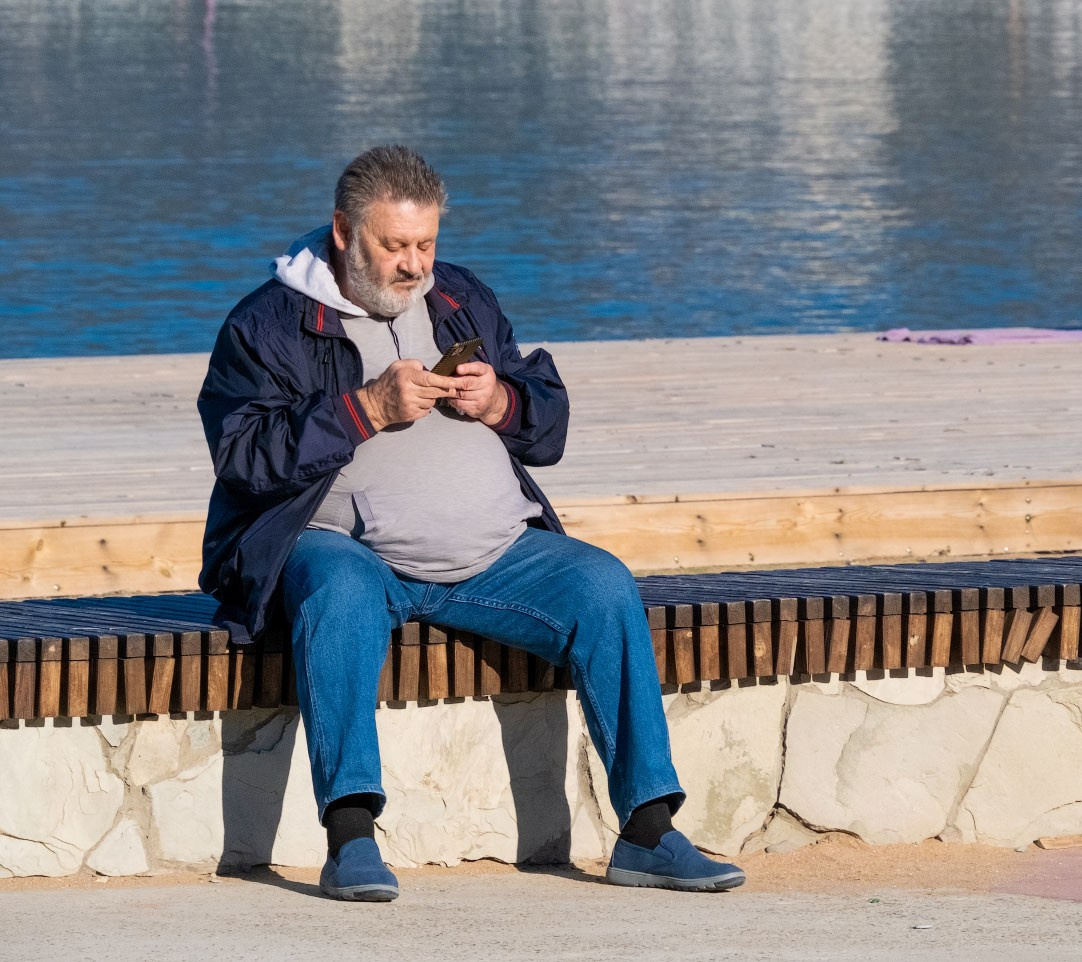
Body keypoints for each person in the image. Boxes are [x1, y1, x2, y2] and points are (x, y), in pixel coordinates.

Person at [197, 146, 745, 902]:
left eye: (425, 244)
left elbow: (546, 424)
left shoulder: (459, 297)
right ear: (343, 233)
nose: (414, 265)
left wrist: (501, 402)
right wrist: (365, 409)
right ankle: (351, 839)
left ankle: (648, 833)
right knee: (338, 593)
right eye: (395, 245)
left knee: (602, 584)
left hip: (495, 554)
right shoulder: (267, 324)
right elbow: (243, 458)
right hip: (347, 550)